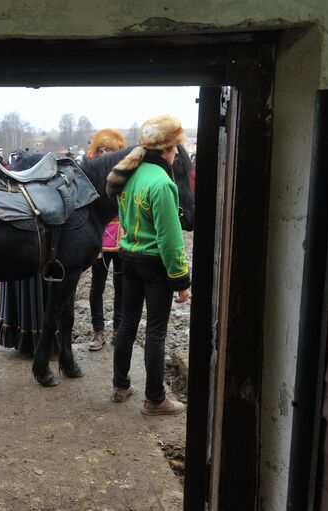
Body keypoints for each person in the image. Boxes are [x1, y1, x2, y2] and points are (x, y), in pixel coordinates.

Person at [106, 115, 190, 415]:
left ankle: (120, 385)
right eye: (176, 147)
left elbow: (125, 221)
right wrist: (180, 280)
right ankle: (155, 399)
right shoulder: (162, 184)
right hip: (154, 266)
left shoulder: (130, 175)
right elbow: (170, 240)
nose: (178, 152)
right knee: (156, 331)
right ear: (167, 149)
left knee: (127, 324)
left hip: (127, 259)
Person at [0, 150, 58, 356]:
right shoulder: (48, 195)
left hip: (22, 251)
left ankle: (22, 335)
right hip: (33, 251)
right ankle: (38, 338)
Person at [85, 129, 126, 352]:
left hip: (121, 235)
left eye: (108, 150)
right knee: (97, 286)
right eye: (100, 150)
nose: (104, 153)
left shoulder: (124, 175)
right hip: (99, 235)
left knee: (121, 286)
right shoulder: (92, 177)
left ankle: (118, 330)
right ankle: (98, 331)